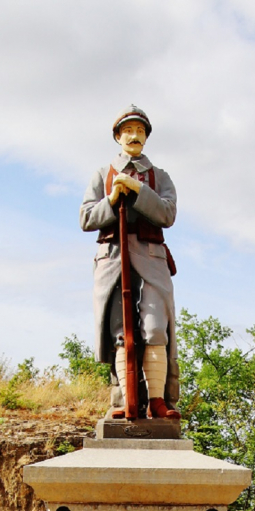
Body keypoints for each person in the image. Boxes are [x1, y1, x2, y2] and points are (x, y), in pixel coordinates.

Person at [79, 106, 180, 419]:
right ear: (118, 136)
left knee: (155, 328)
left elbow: (167, 214)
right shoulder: (102, 175)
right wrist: (112, 199)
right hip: (113, 258)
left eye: (140, 131)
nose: (134, 136)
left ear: (146, 137)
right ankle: (126, 399)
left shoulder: (159, 177)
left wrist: (139, 190)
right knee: (119, 332)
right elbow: (86, 218)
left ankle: (158, 401)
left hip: (151, 256)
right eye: (128, 131)